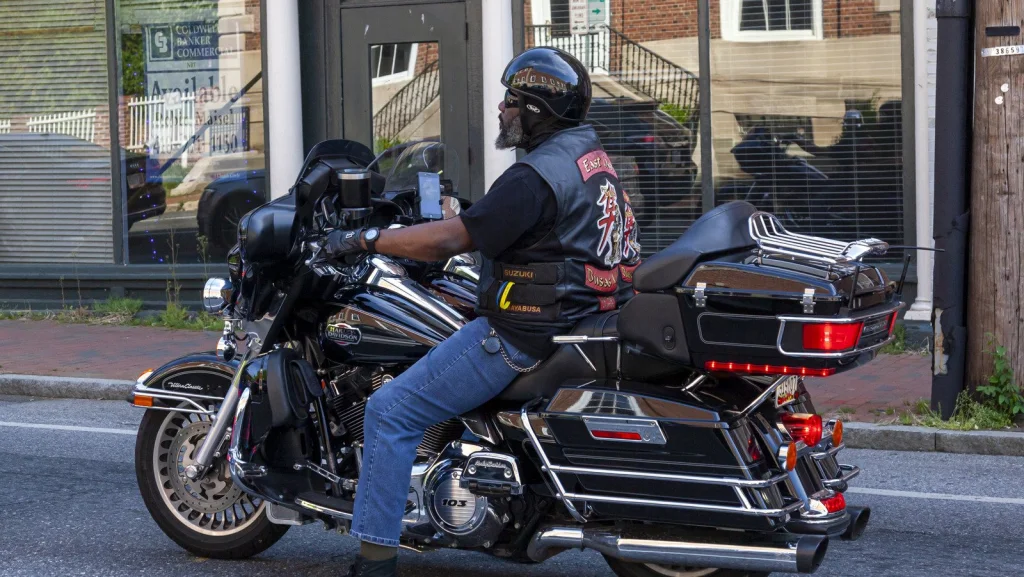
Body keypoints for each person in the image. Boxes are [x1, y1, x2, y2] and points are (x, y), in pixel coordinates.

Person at [326, 46, 640, 577]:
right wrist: (467, 215)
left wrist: (369, 238)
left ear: (538, 111)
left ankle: (374, 559)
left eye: (512, 101)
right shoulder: (589, 159)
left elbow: (446, 242)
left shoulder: (533, 176)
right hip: (583, 315)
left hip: (526, 331)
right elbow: (533, 228)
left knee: (390, 411)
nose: (501, 109)